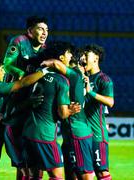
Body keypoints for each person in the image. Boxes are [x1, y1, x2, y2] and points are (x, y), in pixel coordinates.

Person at [0, 15, 49, 180]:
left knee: (25, 147)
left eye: (46, 30)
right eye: (40, 29)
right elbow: (7, 64)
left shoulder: (45, 50)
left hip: (28, 101)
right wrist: (24, 75)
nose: (44, 33)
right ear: (30, 31)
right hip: (9, 96)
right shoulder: (19, 42)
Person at [22, 42, 81, 180]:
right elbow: (62, 113)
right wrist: (71, 110)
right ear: (61, 58)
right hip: (45, 135)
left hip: (28, 131)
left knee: (33, 175)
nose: (71, 56)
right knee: (57, 176)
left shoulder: (38, 74)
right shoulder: (61, 81)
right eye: (68, 53)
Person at [41, 42, 95, 180]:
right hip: (72, 133)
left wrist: (46, 62)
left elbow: (56, 64)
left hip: (76, 132)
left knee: (85, 174)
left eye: (69, 53)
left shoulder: (75, 74)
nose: (69, 54)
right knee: (72, 174)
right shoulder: (69, 78)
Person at [83, 44, 114, 180]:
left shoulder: (103, 80)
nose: (83, 59)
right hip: (82, 134)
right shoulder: (82, 77)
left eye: (86, 55)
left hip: (97, 134)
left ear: (96, 58)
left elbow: (110, 102)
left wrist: (91, 93)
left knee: (101, 172)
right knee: (83, 173)